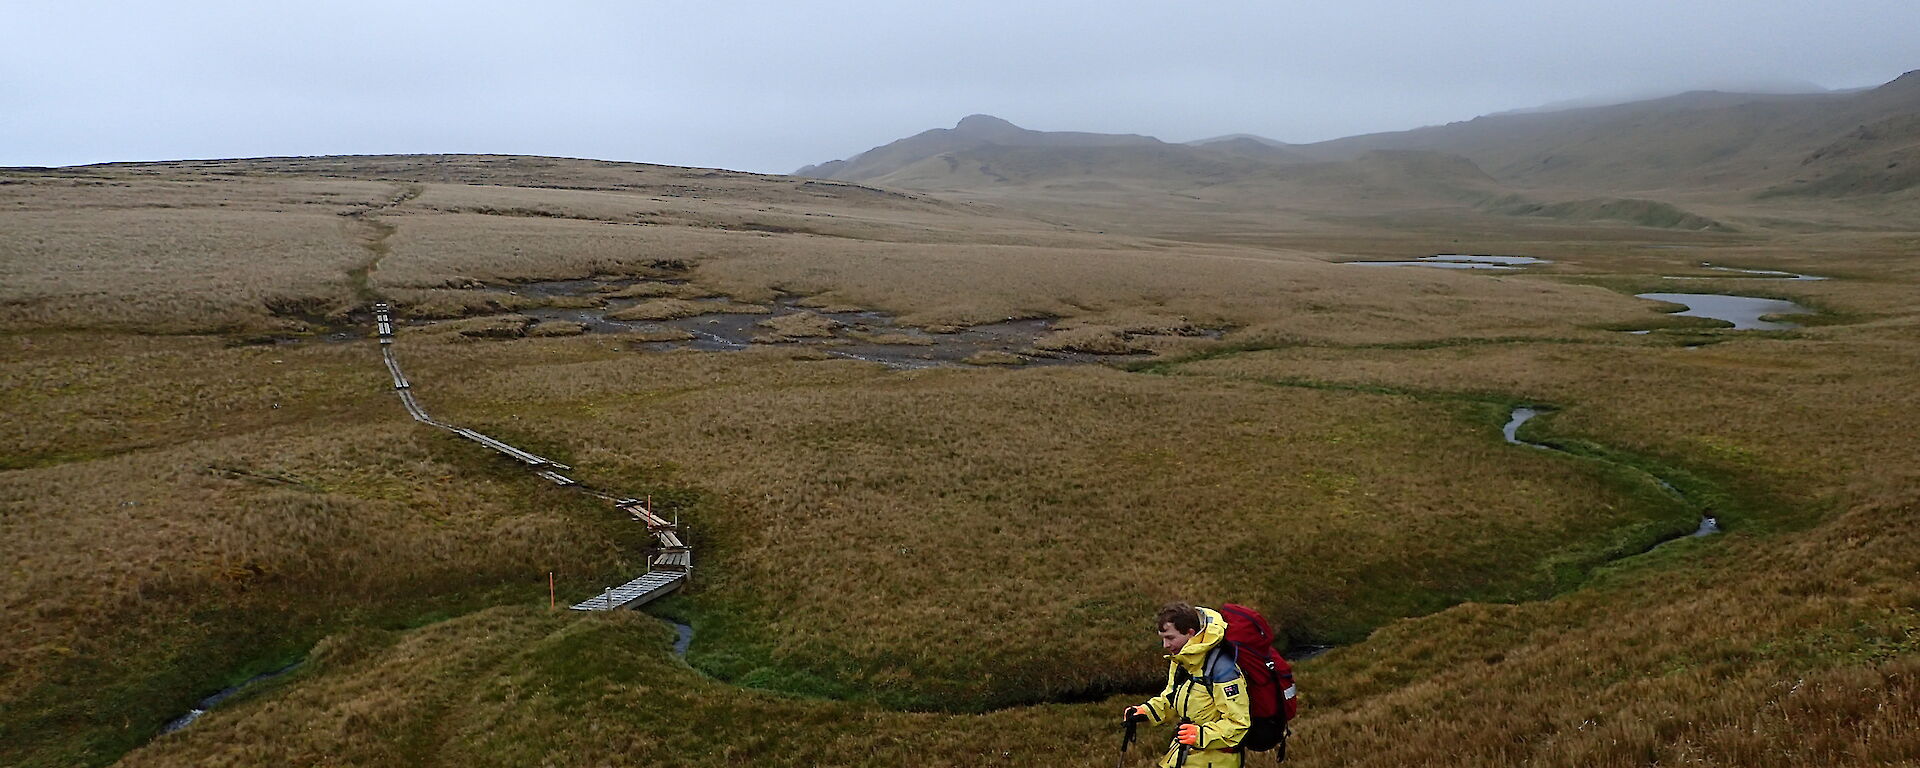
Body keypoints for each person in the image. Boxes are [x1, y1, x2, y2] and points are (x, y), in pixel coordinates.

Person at [1125, 603, 1252, 767]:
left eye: (1170, 638)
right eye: (1163, 638)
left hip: (1217, 761)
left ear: (1190, 634)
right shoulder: (1182, 660)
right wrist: (1145, 711)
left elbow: (1239, 724)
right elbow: (1171, 698)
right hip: (1186, 755)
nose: (1165, 645)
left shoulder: (1223, 670)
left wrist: (1199, 736)